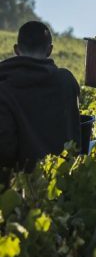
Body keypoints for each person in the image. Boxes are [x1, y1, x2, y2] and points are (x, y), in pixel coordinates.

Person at [0, 21, 81, 170]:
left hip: (19, 188)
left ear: (16, 50)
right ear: (50, 50)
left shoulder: (3, 87)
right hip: (63, 181)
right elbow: (76, 135)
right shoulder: (66, 81)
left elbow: (5, 149)